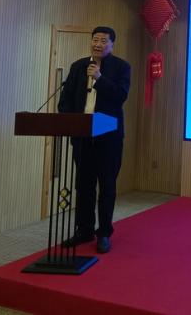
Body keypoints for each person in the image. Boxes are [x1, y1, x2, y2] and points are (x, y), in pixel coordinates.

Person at [58, 26, 131, 253]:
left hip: (108, 138)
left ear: (112, 44)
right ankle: (84, 230)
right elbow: (66, 98)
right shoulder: (78, 66)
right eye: (95, 40)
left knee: (107, 186)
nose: (98, 44)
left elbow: (120, 96)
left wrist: (99, 78)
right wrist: (70, 123)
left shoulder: (121, 67)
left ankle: (104, 233)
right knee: (83, 185)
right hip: (82, 137)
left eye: (103, 41)